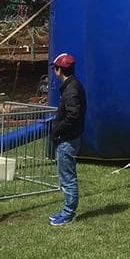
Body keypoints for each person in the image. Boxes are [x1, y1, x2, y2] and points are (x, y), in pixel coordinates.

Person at [49, 53, 86, 226]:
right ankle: (66, 210)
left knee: (68, 179)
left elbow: (73, 115)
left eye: (55, 68)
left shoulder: (71, 90)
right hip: (69, 138)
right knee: (66, 178)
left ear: (59, 70)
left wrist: (57, 129)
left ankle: (68, 213)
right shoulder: (72, 86)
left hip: (67, 140)